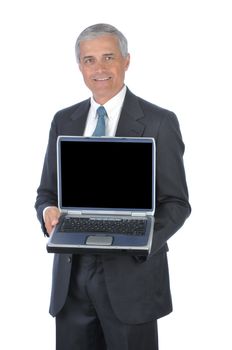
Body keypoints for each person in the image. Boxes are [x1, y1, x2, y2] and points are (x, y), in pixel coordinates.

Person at [35, 23, 191, 350]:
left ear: (126, 61)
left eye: (108, 57)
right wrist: (48, 212)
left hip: (132, 280)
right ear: (80, 66)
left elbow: (177, 203)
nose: (100, 68)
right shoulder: (64, 120)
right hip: (72, 278)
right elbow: (46, 193)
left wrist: (140, 237)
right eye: (89, 60)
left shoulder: (159, 122)